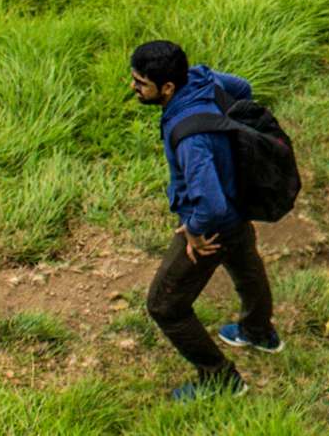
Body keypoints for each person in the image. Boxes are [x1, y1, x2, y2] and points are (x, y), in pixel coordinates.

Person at [130, 40, 281, 400]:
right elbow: (242, 88)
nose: (133, 88)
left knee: (164, 306)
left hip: (216, 221)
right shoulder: (199, 78)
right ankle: (258, 332)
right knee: (245, 265)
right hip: (238, 201)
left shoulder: (191, 140)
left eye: (140, 83)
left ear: (167, 88)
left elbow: (210, 206)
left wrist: (195, 232)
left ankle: (220, 378)